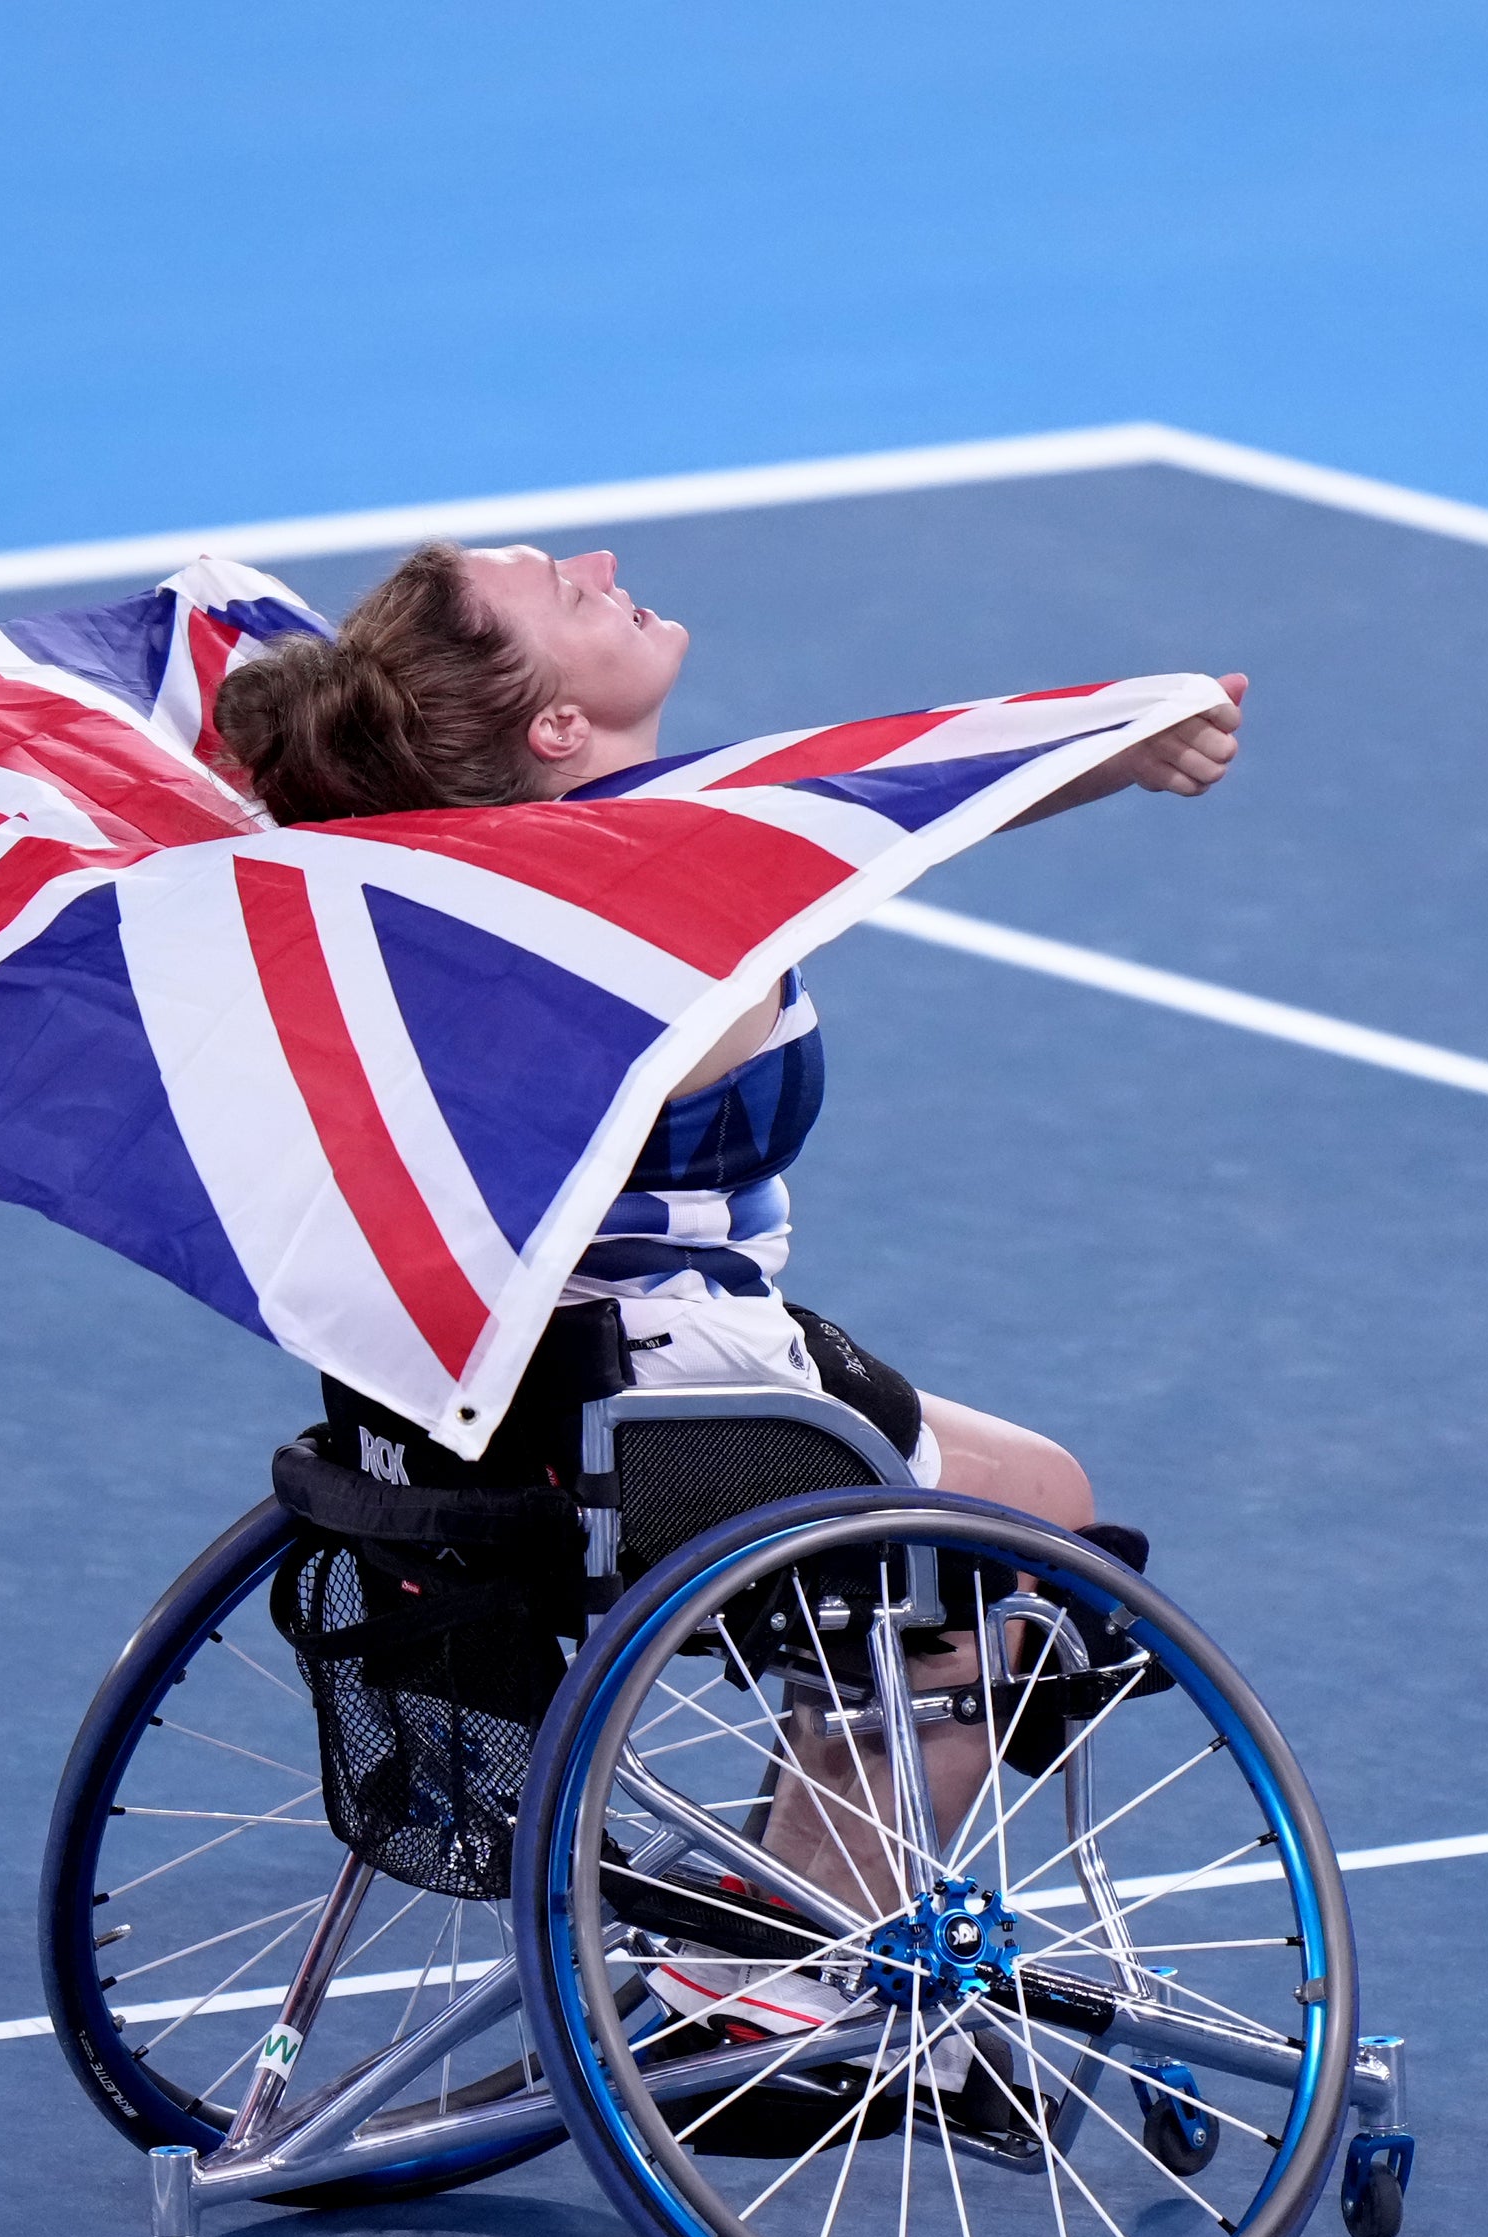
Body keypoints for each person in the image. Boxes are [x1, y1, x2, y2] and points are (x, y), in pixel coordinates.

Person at [216, 540, 1244, 1926]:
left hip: (512, 1391)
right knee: (1038, 1510)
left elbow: (873, 802)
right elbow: (832, 832)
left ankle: (801, 1898)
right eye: (569, 595)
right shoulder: (638, 926)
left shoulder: (457, 880)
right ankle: (796, 1967)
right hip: (665, 1388)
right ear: (556, 727)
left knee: (925, 1547)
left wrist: (1111, 749)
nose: (599, 563)